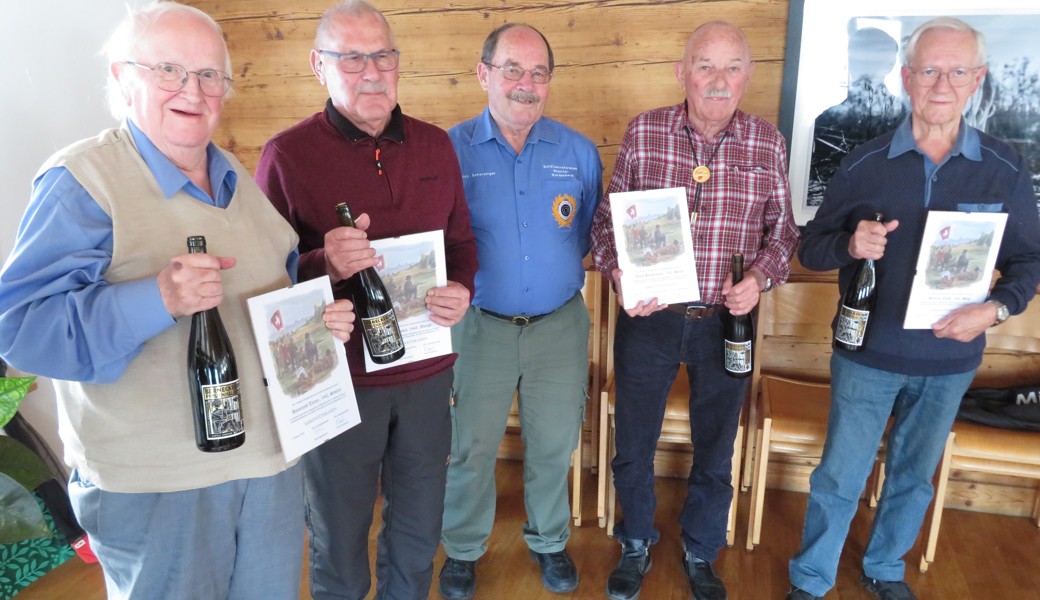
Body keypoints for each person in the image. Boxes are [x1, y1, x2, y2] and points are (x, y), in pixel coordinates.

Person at [0, 3, 355, 598]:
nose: (193, 90)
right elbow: (20, 329)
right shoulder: (83, 182)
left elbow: (275, 292)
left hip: (270, 466)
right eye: (169, 69)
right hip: (160, 485)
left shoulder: (237, 178)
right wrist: (157, 298)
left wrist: (319, 322)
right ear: (122, 78)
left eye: (210, 74)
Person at [787, 17, 1040, 600]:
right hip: (867, 355)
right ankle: (811, 578)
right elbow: (812, 246)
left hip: (950, 360)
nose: (941, 84)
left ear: (977, 79)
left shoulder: (1004, 169)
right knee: (839, 477)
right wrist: (850, 244)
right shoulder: (863, 163)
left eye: (956, 71)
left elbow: (1029, 263)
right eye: (928, 70)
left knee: (913, 478)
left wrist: (996, 309)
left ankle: (884, 568)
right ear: (906, 77)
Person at [253, 2, 478, 598]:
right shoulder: (287, 155)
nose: (371, 71)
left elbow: (460, 243)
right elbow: (262, 278)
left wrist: (462, 290)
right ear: (318, 66)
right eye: (351, 58)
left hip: (428, 375)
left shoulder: (435, 146)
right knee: (339, 538)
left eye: (382, 55)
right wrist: (320, 263)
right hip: (337, 384)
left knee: (417, 530)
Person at [589, 21, 798, 600]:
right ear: (682, 72)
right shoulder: (645, 131)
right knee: (633, 439)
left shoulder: (766, 141)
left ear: (748, 76)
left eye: (732, 67)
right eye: (705, 65)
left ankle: (701, 548)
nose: (718, 79)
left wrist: (758, 279)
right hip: (650, 321)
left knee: (716, 442)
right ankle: (635, 540)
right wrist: (616, 272)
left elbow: (784, 236)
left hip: (727, 325)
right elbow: (606, 223)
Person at [437, 23, 602, 600]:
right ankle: (461, 549)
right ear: (484, 74)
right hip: (479, 327)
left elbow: (584, 236)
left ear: (550, 83)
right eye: (513, 69)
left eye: (538, 73)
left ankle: (549, 540)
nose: (525, 84)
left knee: (554, 442)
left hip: (559, 325)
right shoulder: (449, 150)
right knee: (471, 444)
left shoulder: (577, 151)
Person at [808, 26, 908, 206]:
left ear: (890, 64)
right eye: (857, 59)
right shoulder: (826, 121)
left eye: (872, 59)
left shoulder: (908, 120)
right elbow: (814, 187)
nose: (863, 68)